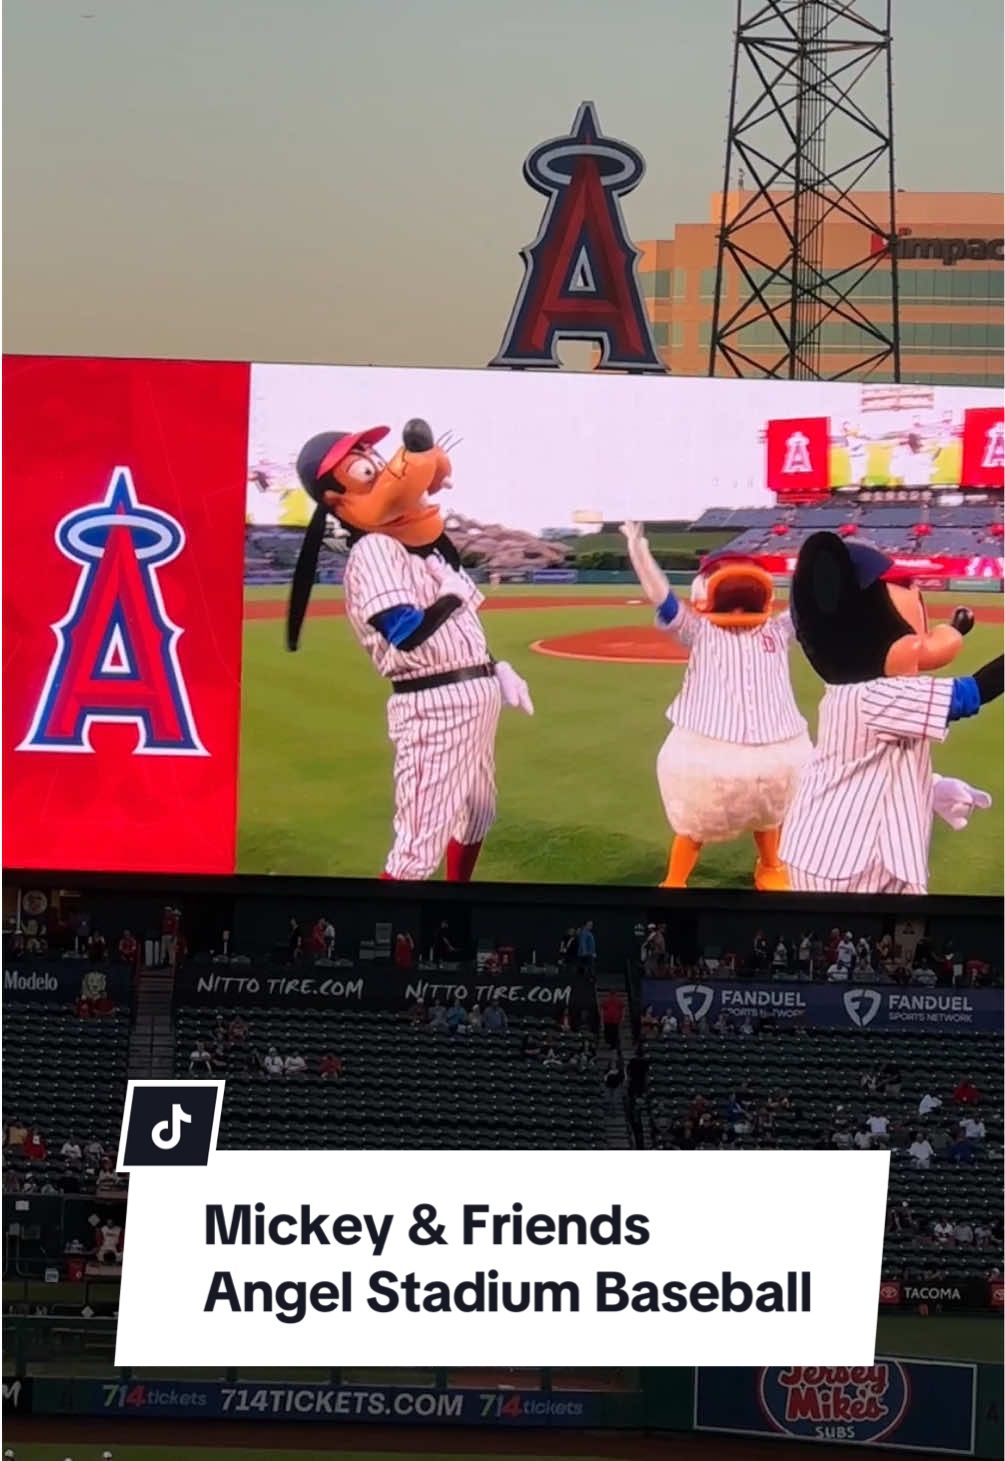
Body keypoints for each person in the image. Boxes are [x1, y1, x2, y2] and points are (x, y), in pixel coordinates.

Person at [286, 423, 533, 882]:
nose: (379, 470)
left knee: (478, 811)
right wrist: (451, 597)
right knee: (416, 852)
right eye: (362, 468)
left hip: (473, 697)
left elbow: (462, 628)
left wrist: (495, 667)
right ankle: (389, 948)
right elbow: (403, 630)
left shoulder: (421, 551)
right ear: (337, 499)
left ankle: (453, 910)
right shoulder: (375, 550)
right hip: (433, 707)